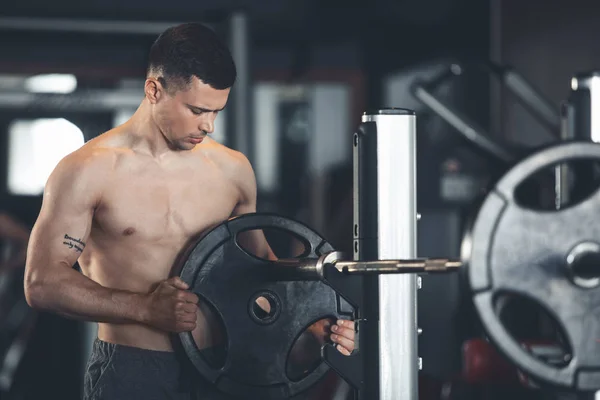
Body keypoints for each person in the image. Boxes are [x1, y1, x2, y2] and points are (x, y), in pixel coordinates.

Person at [23, 22, 355, 399]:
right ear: (154, 90)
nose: (209, 126)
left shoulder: (232, 170)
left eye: (216, 111)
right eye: (197, 110)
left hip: (222, 366)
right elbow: (42, 283)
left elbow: (260, 266)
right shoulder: (87, 170)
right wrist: (145, 308)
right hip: (135, 366)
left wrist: (309, 317)